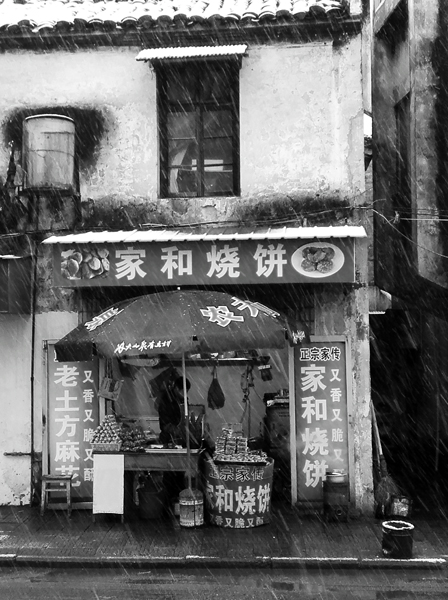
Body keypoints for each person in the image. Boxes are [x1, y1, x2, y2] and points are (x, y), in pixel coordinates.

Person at [158, 376, 191, 446]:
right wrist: (175, 430)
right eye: (183, 391)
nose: (185, 394)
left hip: (182, 438)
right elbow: (164, 422)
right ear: (176, 388)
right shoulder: (166, 400)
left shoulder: (183, 400)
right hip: (168, 439)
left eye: (187, 391)